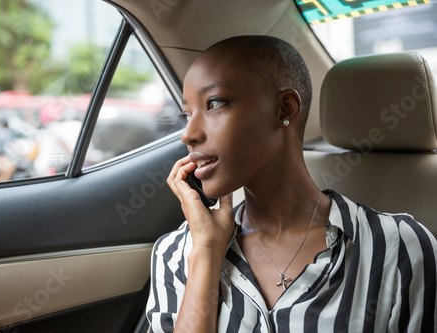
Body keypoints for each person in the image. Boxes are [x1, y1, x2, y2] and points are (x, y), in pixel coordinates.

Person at [146, 35, 437, 332]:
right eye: (186, 115)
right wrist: (207, 252)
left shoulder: (399, 248)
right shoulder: (175, 254)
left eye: (215, 103)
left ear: (284, 109)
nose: (188, 133)